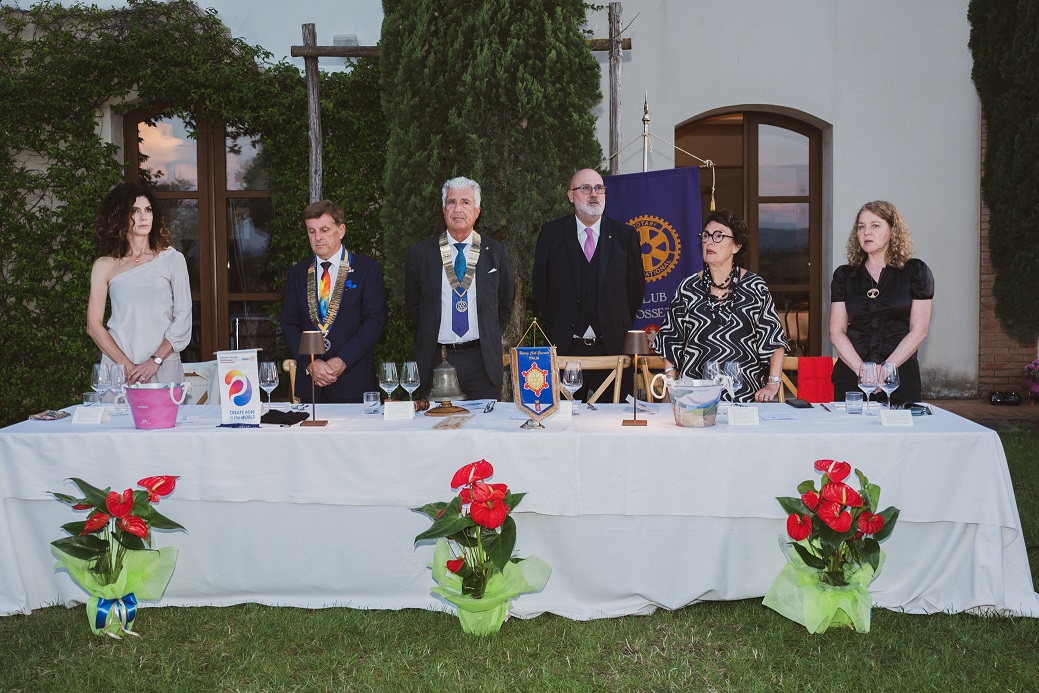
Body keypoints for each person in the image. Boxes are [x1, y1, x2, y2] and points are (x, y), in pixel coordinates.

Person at [532, 168, 646, 399]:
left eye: (599, 188)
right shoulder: (551, 234)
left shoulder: (625, 236)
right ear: (571, 195)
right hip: (565, 350)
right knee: (563, 418)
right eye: (586, 188)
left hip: (613, 351)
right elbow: (540, 288)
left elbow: (635, 291)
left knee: (614, 418)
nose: (594, 194)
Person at [654, 209, 787, 403]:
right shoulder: (688, 287)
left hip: (744, 397)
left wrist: (773, 383)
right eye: (706, 236)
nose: (709, 242)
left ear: (736, 246)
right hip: (694, 397)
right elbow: (670, 339)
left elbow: (774, 340)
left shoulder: (754, 286)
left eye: (718, 236)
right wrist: (670, 384)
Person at [405, 177, 515, 401]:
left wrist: (486, 331)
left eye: (465, 202)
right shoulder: (421, 254)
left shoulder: (496, 252)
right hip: (436, 360)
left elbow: (504, 304)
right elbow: (414, 306)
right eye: (451, 202)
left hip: (481, 363)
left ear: (477, 211)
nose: (457, 209)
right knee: (435, 423)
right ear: (443, 210)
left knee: (483, 423)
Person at [86, 182, 192, 385]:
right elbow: (93, 325)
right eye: (135, 211)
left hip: (163, 366)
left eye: (148, 210)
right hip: (118, 369)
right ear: (120, 217)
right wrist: (125, 365)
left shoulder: (172, 259)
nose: (144, 217)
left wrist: (155, 361)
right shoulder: (104, 265)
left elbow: (183, 319)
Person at [282, 200, 386, 403]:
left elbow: (374, 321)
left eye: (324, 230)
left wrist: (343, 360)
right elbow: (289, 323)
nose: (317, 238)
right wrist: (310, 363)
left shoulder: (367, 269)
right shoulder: (297, 273)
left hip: (354, 383)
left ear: (341, 230)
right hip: (312, 386)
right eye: (311, 231)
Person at [829, 200, 933, 402]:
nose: (866, 232)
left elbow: (919, 330)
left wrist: (886, 370)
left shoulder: (915, 272)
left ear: (893, 231)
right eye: (861, 227)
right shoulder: (844, 276)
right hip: (852, 377)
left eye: (875, 225)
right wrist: (864, 371)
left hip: (899, 378)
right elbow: (836, 331)